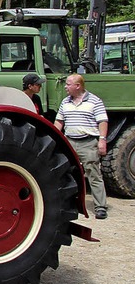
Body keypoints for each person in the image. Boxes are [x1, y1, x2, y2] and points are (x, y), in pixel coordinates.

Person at [54, 74, 109, 219]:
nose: (65, 86)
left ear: (77, 86)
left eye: (68, 84)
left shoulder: (94, 101)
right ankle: (69, 204)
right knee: (67, 173)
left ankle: (100, 207)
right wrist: (54, 136)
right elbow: (59, 121)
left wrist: (102, 140)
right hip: (69, 142)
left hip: (88, 142)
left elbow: (102, 121)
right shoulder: (65, 102)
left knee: (93, 173)